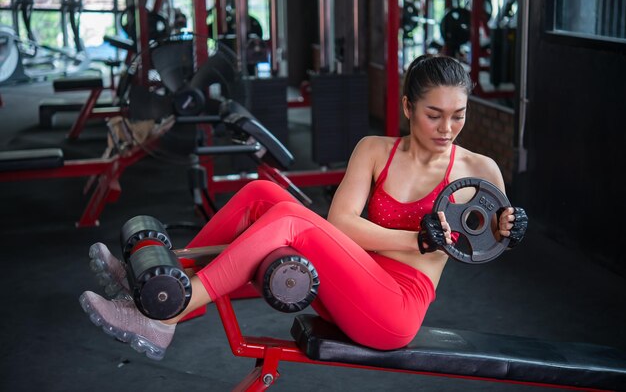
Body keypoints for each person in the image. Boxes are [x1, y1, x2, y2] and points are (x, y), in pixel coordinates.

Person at [79, 54, 528, 360]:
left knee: (289, 218)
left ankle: (166, 311)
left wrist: (510, 227)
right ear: (408, 106)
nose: (448, 127)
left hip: (394, 309)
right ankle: (164, 279)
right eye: (435, 114)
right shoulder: (376, 150)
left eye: (458, 115)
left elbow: (489, 239)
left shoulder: (478, 168)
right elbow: (342, 226)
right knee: (262, 195)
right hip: (351, 278)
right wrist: (418, 238)